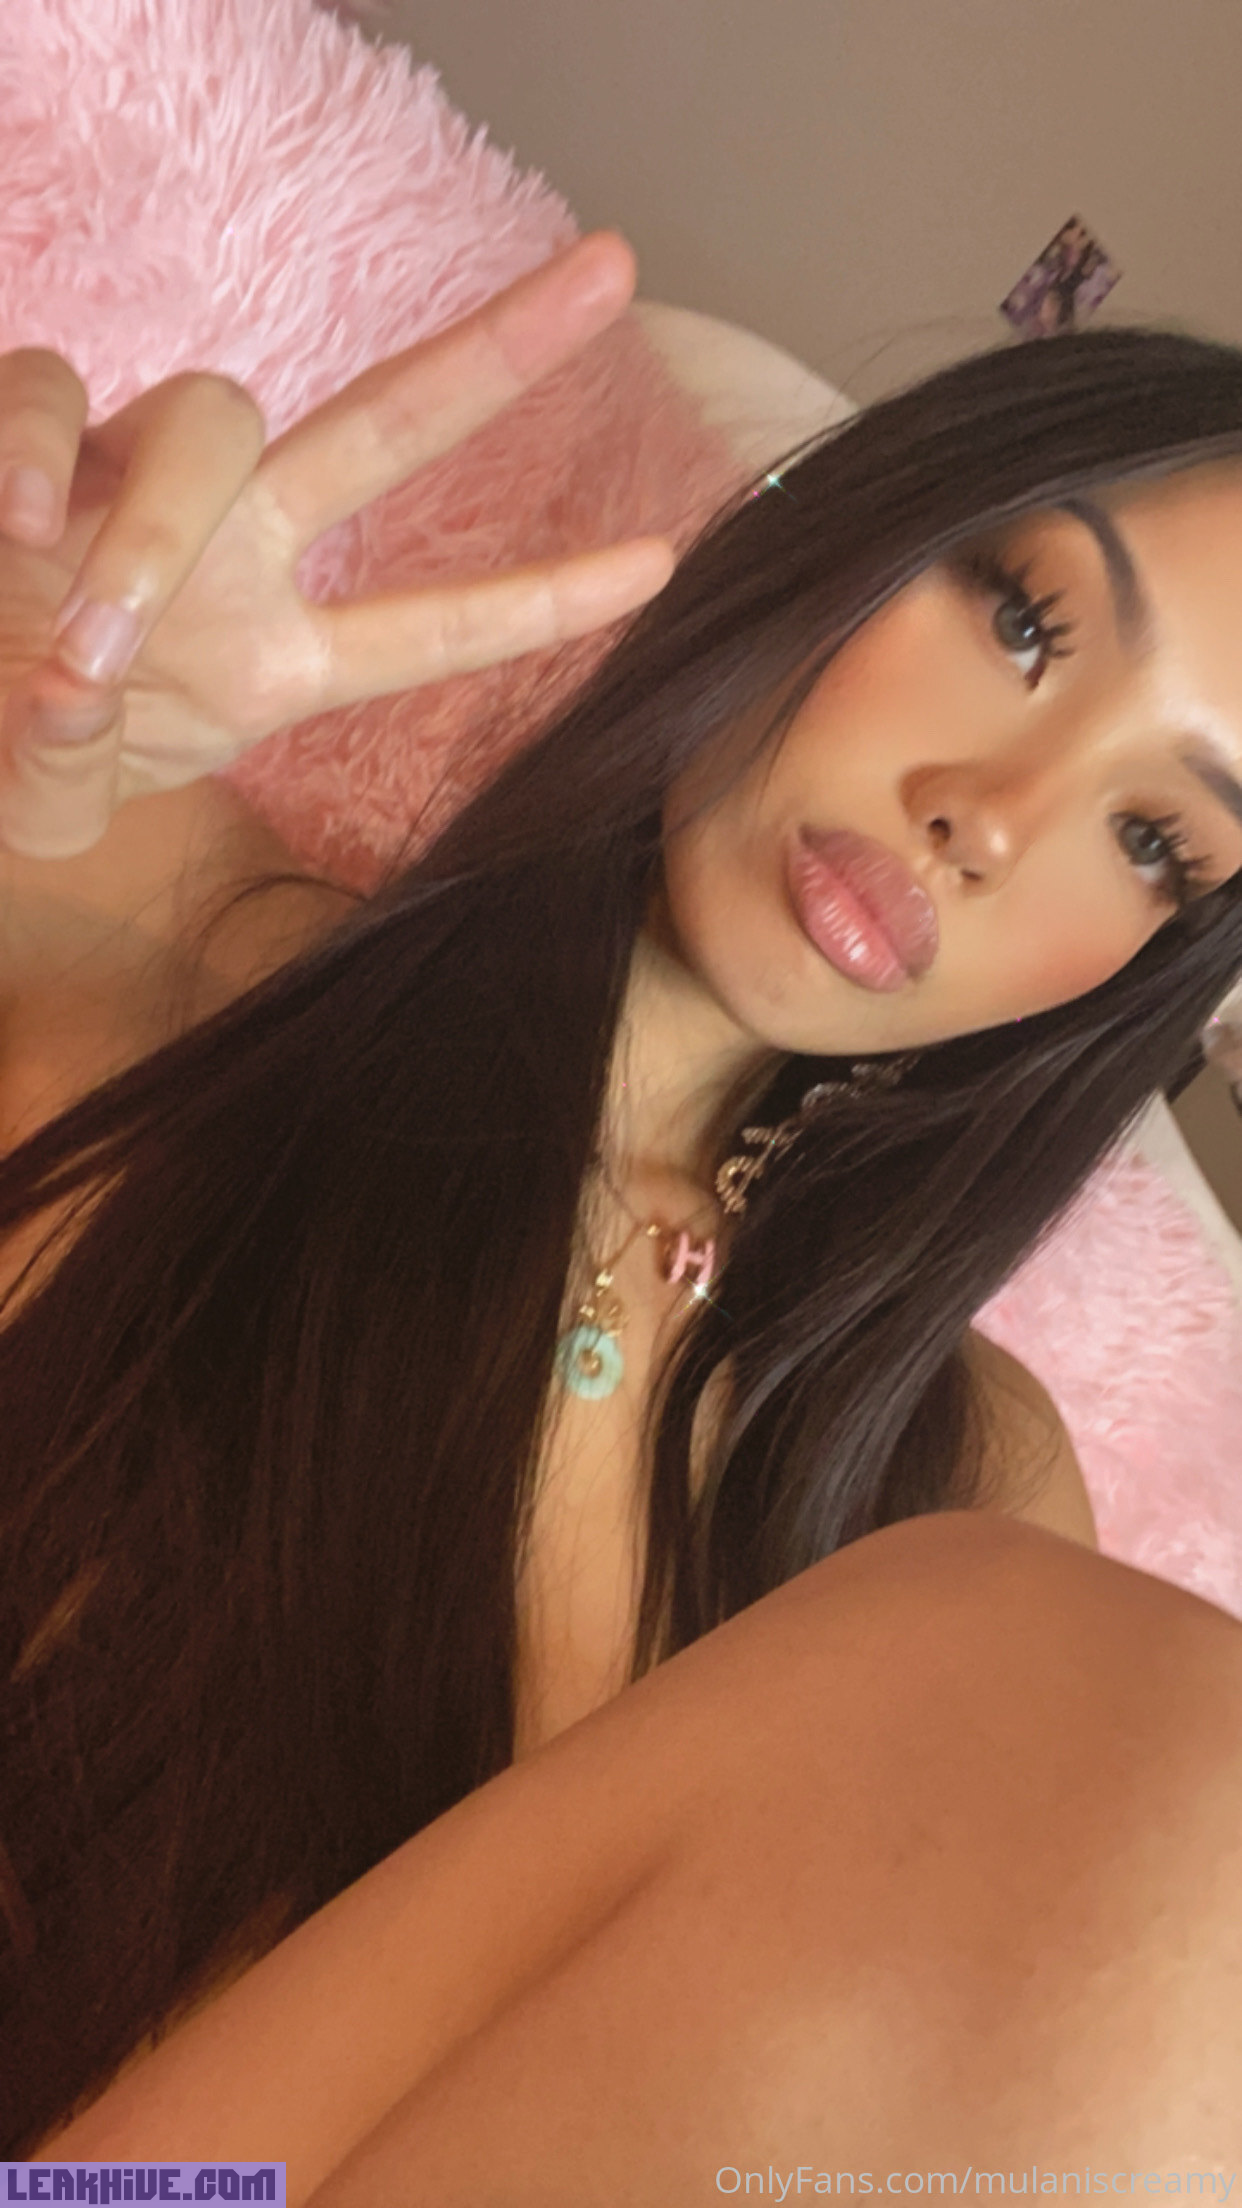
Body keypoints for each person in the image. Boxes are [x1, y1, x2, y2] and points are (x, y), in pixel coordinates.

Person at [1, 231, 1242, 2179]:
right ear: (846, 523)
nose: (990, 817)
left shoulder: (953, 1490)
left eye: (1156, 837)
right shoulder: (159, 921)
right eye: (1023, 615)